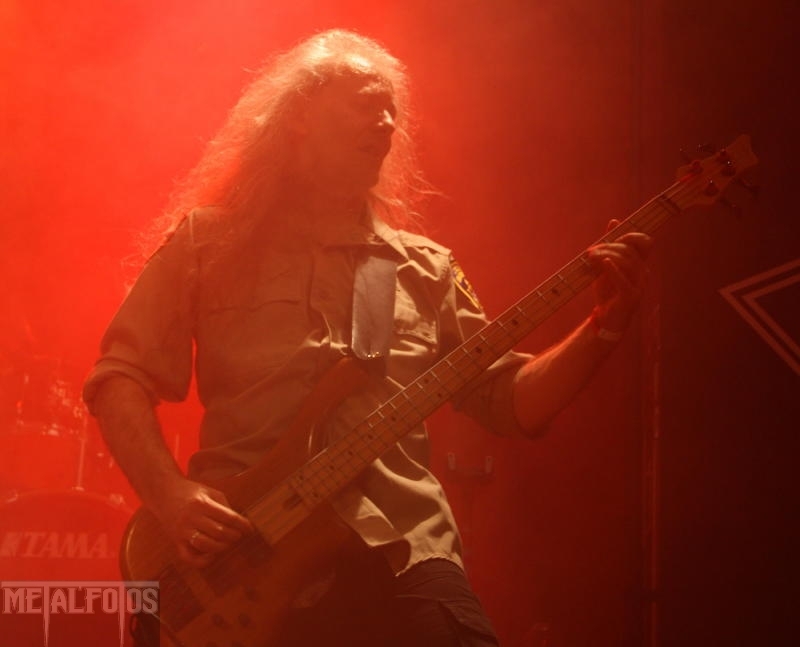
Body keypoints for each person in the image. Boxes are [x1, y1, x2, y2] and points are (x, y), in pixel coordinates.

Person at [83, 29, 650, 647]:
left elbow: (509, 400)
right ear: (298, 118)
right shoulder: (208, 243)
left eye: (392, 111)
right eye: (366, 105)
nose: (386, 124)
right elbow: (120, 377)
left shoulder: (424, 267)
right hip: (245, 553)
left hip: (402, 546)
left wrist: (602, 329)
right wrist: (170, 497)